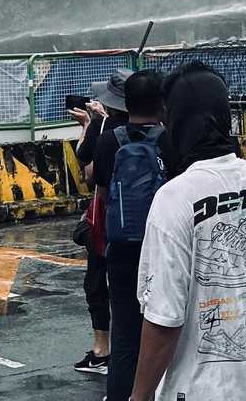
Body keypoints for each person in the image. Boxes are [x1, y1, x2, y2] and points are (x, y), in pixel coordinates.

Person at [129, 61, 246, 401]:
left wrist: (139, 395)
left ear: (175, 123)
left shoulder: (174, 199)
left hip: (210, 390)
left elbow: (164, 320)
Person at [93, 69, 165, 401]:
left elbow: (104, 194)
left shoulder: (110, 140)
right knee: (165, 327)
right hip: (163, 248)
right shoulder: (170, 139)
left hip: (121, 250)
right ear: (162, 102)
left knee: (124, 337)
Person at [71, 71, 131, 376]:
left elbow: (90, 172)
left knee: (97, 284)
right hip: (142, 221)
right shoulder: (155, 131)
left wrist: (90, 126)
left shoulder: (107, 131)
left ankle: (102, 351)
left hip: (108, 221)